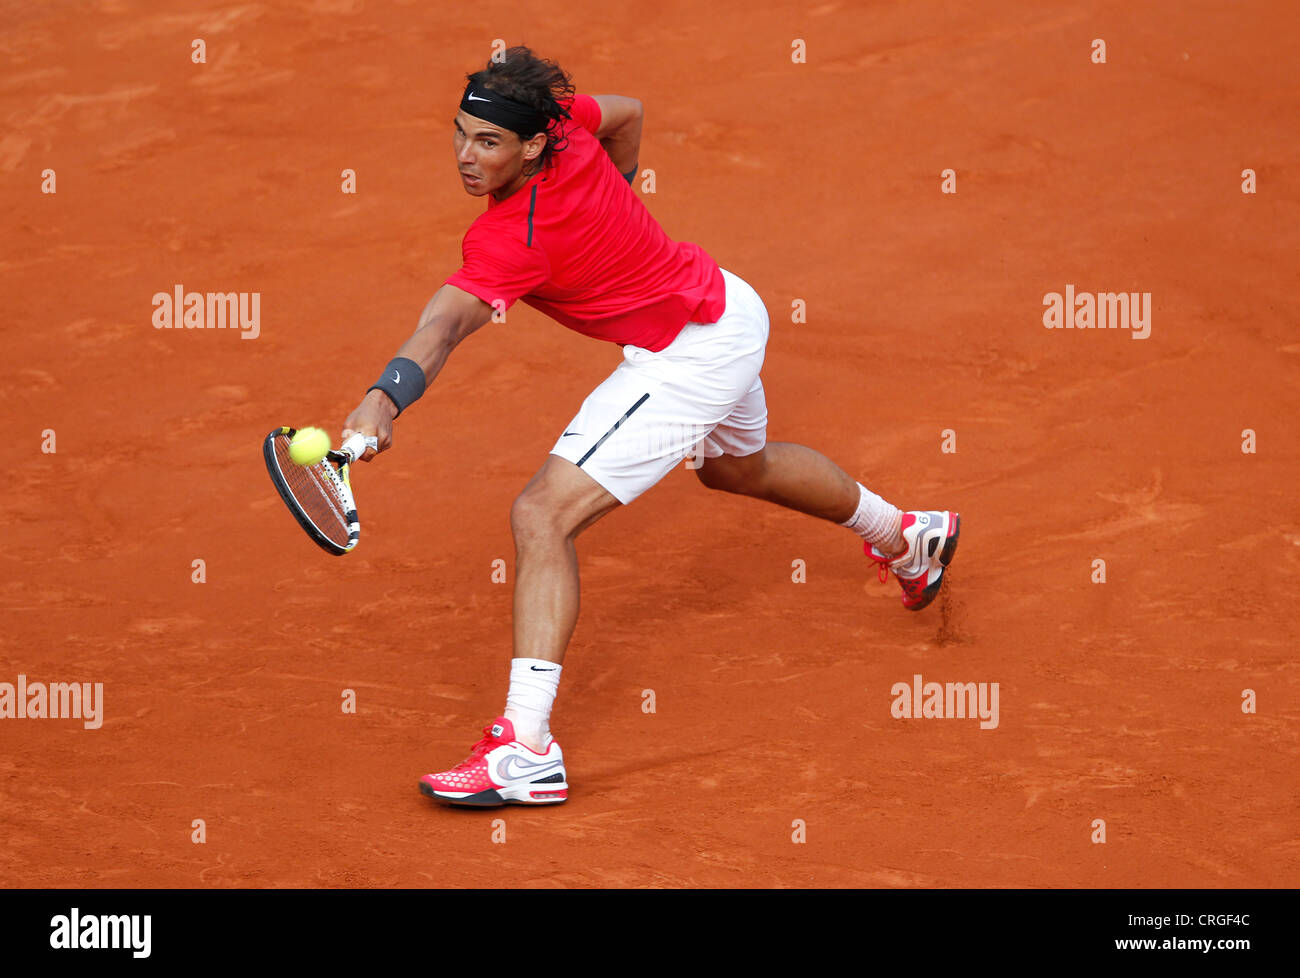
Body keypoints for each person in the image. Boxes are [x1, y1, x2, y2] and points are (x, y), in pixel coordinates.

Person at [341, 47, 959, 807]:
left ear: (532, 144)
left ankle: (526, 749)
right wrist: (619, 198)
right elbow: (628, 111)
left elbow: (441, 328)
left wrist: (384, 398)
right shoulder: (568, 127)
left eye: (488, 143)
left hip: (688, 355)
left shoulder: (510, 238)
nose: (467, 157)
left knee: (541, 515)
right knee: (737, 468)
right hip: (730, 305)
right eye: (461, 133)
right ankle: (907, 535)